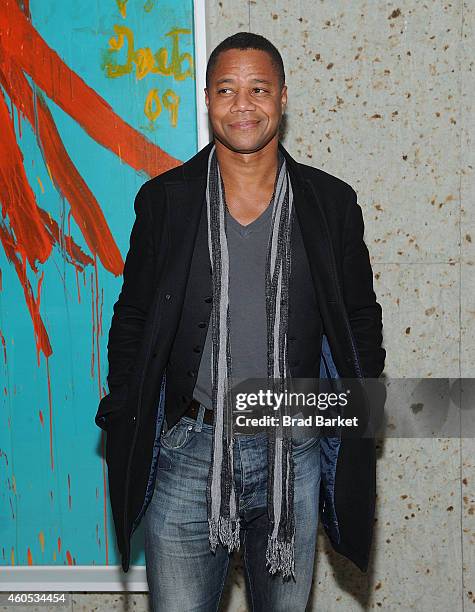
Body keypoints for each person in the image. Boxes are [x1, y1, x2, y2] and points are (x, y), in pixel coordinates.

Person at [95, 32, 385, 612]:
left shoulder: (330, 204)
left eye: (258, 89)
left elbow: (360, 319)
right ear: (207, 98)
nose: (243, 105)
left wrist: (351, 407)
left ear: (282, 98)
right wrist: (126, 395)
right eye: (227, 90)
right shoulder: (166, 201)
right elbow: (132, 315)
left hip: (293, 452)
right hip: (187, 451)